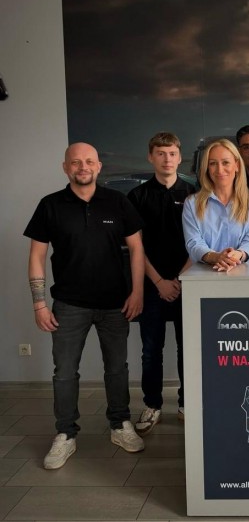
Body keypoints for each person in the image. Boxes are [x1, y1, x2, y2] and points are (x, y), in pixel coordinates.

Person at [24, 142, 145, 470]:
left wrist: (137, 292)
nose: (83, 167)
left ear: (98, 166)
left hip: (115, 303)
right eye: (76, 162)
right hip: (68, 305)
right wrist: (39, 304)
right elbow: (36, 255)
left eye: (89, 161)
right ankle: (65, 434)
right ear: (65, 167)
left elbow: (137, 249)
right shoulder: (50, 205)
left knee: (117, 369)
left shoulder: (117, 202)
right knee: (64, 372)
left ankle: (120, 425)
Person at [127, 132, 195, 433]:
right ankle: (152, 404)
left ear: (180, 157)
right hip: (152, 284)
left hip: (188, 283)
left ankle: (186, 404)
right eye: (160, 153)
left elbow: (199, 243)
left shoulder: (194, 193)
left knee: (188, 348)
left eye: (172, 153)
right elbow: (136, 247)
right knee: (151, 350)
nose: (167, 159)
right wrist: (158, 281)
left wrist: (178, 280)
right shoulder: (137, 197)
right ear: (150, 157)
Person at [183, 138, 249, 270]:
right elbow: (193, 243)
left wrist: (235, 256)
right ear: (207, 168)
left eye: (225, 162)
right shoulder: (191, 203)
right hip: (203, 277)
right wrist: (215, 257)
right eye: (213, 163)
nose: (219, 169)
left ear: (237, 166)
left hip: (242, 274)